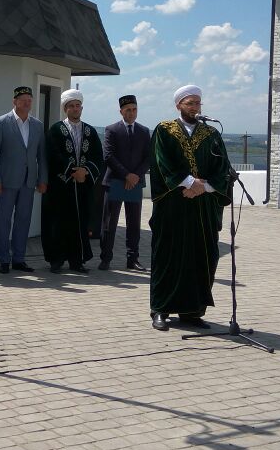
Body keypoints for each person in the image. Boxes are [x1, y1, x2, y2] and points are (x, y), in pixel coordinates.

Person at [148, 85, 233, 331]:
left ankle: (192, 311)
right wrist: (189, 182)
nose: (195, 108)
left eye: (197, 103)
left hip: (202, 207)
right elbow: (161, 163)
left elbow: (222, 168)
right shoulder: (165, 130)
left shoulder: (212, 134)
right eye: (190, 103)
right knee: (168, 256)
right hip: (173, 205)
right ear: (179, 106)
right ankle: (160, 309)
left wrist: (203, 188)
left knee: (201, 256)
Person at [42, 89, 103, 274]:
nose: (75, 109)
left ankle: (77, 261)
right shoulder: (55, 129)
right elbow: (53, 154)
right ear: (65, 108)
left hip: (82, 187)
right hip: (61, 186)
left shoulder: (90, 131)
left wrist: (85, 171)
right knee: (58, 223)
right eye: (71, 106)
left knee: (80, 224)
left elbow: (98, 157)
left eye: (78, 106)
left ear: (81, 108)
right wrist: (72, 171)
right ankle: (56, 260)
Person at [0, 86, 47, 274]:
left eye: (29, 99)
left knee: (23, 220)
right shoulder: (1, 123)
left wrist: (42, 179)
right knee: (3, 220)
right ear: (14, 101)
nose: (27, 102)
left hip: (29, 182)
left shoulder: (37, 125)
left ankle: (19, 259)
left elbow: (42, 156)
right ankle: (3, 259)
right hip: (6, 181)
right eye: (23, 99)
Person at [99, 94, 151, 271]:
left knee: (134, 223)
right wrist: (126, 175)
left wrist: (135, 175)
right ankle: (106, 258)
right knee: (109, 223)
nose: (131, 113)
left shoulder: (144, 131)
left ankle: (133, 259)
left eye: (134, 109)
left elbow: (149, 157)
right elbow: (108, 156)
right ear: (121, 111)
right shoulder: (111, 130)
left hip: (135, 183)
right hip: (115, 181)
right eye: (128, 110)